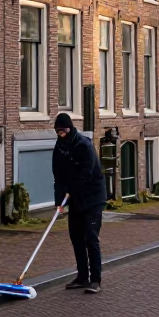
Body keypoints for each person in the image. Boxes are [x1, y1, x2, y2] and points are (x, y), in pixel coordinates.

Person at [51, 112, 107, 294]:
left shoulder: (84, 145)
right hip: (75, 198)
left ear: (70, 129)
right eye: (58, 132)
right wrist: (59, 202)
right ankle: (82, 277)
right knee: (76, 238)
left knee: (91, 238)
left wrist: (71, 190)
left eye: (64, 131)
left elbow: (86, 174)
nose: (61, 134)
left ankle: (95, 280)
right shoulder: (59, 147)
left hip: (92, 198)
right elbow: (58, 176)